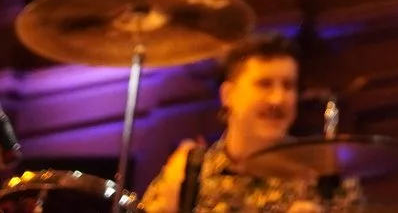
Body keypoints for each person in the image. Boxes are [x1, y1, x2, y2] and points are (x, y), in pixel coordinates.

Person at [140, 33, 359, 213]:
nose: (278, 99)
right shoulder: (189, 175)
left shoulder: (324, 177)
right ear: (228, 95)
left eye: (288, 86)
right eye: (264, 84)